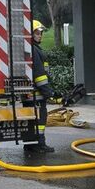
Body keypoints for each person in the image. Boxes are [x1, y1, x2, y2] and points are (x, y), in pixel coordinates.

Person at [27, 20, 55, 153]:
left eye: (41, 33)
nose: (40, 36)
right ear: (30, 34)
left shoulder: (33, 49)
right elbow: (39, 75)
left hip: (35, 93)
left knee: (34, 119)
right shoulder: (34, 49)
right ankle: (39, 144)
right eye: (37, 33)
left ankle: (31, 143)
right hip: (37, 94)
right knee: (40, 120)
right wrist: (49, 93)